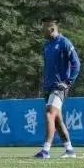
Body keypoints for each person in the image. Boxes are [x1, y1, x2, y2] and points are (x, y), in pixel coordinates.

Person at [34, 17, 79, 159]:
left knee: (49, 114)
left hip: (59, 88)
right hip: (48, 88)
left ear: (52, 29)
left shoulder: (64, 43)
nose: (42, 31)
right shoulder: (47, 46)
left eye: (44, 28)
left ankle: (45, 150)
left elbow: (76, 64)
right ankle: (70, 150)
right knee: (58, 121)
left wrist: (68, 82)